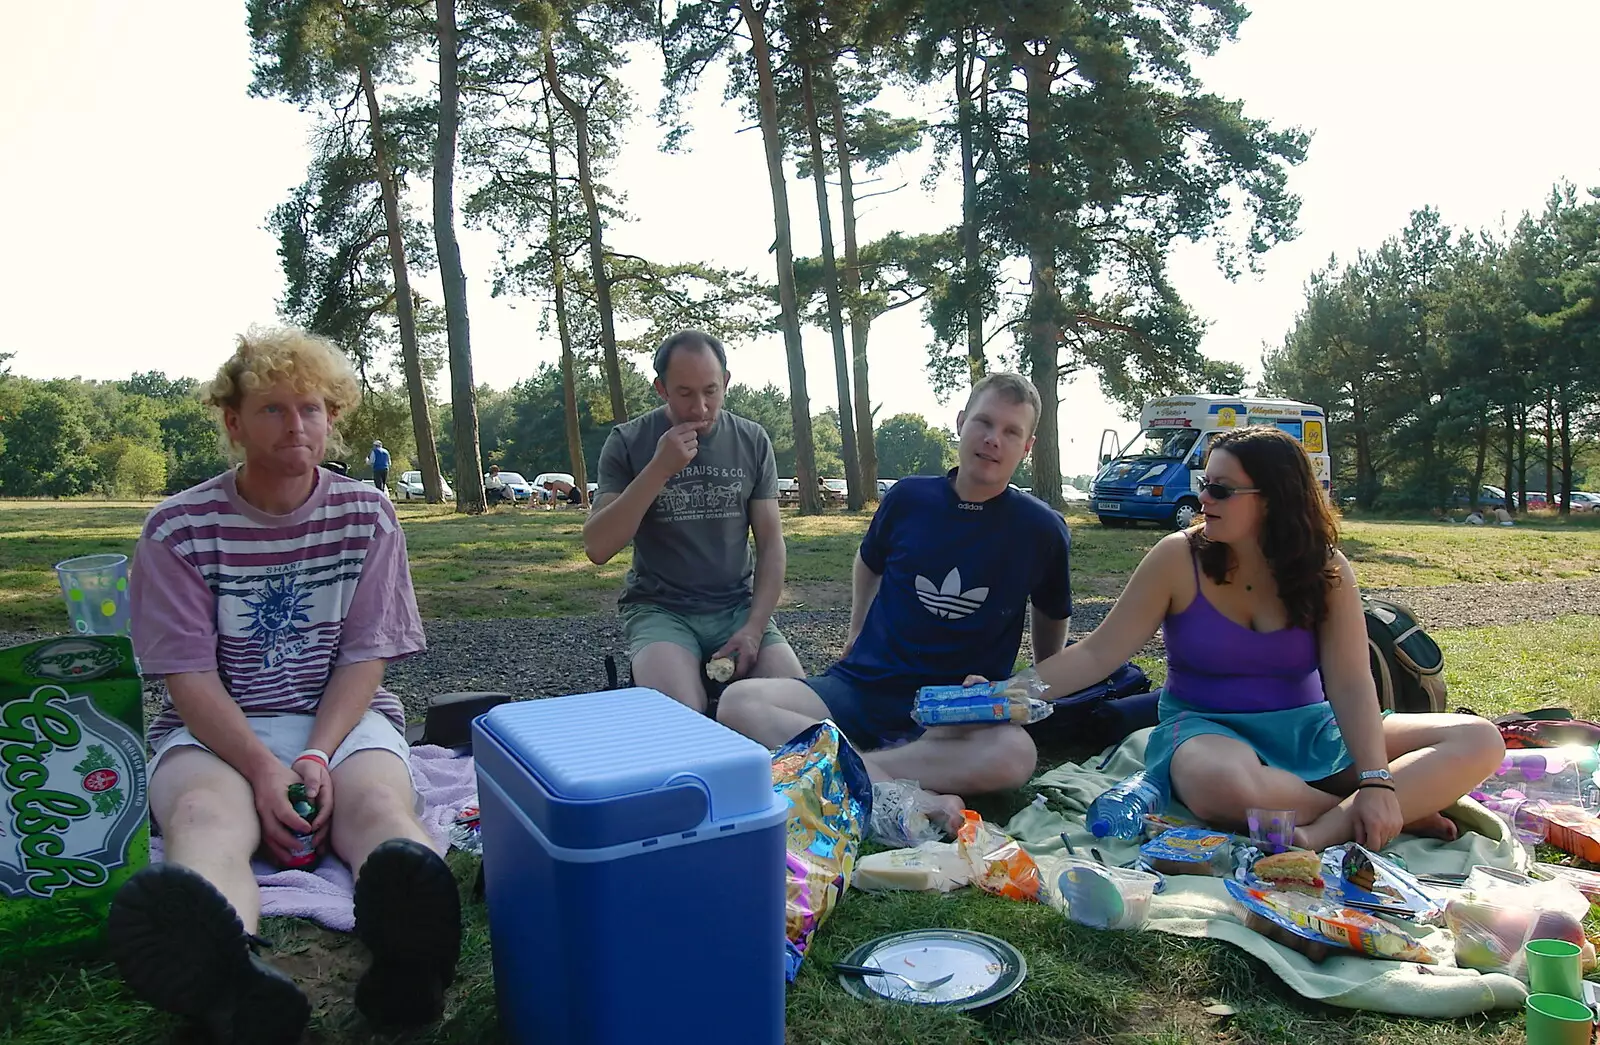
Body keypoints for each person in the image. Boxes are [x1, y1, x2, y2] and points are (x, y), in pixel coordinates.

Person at [107, 327, 460, 1044]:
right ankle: (225, 976)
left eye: (311, 408)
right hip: (217, 727)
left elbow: (365, 657)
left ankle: (412, 957)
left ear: (333, 416)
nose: (296, 425)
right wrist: (264, 767)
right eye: (272, 409)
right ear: (233, 421)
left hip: (344, 720)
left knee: (380, 811)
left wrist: (315, 756)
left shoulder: (368, 515)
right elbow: (189, 676)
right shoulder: (176, 530)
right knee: (204, 820)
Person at [995, 425, 1503, 852]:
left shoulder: (1325, 569)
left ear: (1273, 499)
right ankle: (1391, 812)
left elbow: (1350, 683)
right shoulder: (1178, 557)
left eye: (1220, 489)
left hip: (1310, 729)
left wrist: (1373, 775)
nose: (1201, 499)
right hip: (1206, 733)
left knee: (1479, 738)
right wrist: (1002, 695)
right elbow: (1098, 653)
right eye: (1203, 483)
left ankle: (1331, 825)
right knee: (1224, 788)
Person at [716, 373, 1072, 817]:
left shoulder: (1041, 529)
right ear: (961, 422)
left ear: (1027, 446)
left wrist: (1033, 685)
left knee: (1016, 754)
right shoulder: (908, 498)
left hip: (952, 716)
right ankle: (901, 788)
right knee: (738, 703)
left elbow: (1052, 611)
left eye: (1010, 431)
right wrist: (856, 628)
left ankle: (849, 768)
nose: (993, 439)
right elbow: (869, 562)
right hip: (862, 689)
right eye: (983, 422)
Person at [583, 330, 805, 712]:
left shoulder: (751, 440)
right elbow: (598, 547)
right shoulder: (628, 441)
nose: (700, 407)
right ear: (661, 389)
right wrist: (659, 469)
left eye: (711, 391)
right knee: (686, 718)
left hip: (737, 607)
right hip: (660, 609)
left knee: (798, 707)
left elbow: (770, 545)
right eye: (685, 393)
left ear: (727, 383)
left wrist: (753, 630)